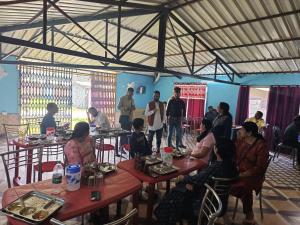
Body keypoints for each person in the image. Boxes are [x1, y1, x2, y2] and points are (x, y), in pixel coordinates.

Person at [154, 138, 238, 225]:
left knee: (175, 192)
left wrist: (184, 178)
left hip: (205, 200)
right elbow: (201, 179)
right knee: (183, 186)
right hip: (220, 201)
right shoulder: (232, 166)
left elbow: (196, 179)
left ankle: (166, 218)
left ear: (217, 150)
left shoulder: (216, 167)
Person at [64, 122, 108, 225]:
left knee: (103, 193)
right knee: (95, 192)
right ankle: (93, 213)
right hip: (81, 177)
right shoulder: (71, 145)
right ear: (83, 132)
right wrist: (90, 169)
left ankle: (98, 212)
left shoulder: (87, 138)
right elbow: (76, 167)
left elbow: (92, 153)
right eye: (87, 132)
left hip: (93, 171)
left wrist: (95, 166)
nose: (88, 134)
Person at [231, 122, 269, 225]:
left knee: (244, 186)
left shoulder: (260, 145)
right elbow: (233, 154)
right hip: (239, 171)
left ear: (249, 133)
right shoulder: (242, 140)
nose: (239, 131)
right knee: (221, 177)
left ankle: (249, 214)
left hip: (254, 175)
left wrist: (243, 174)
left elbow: (260, 167)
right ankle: (219, 205)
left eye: (242, 129)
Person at [117, 87, 136, 155]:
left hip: (130, 118)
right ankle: (121, 147)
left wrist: (133, 108)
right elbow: (118, 107)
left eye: (132, 93)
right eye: (130, 92)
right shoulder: (122, 98)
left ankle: (126, 147)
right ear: (127, 92)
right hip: (124, 117)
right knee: (123, 134)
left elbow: (134, 107)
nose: (131, 94)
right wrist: (125, 108)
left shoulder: (132, 99)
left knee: (128, 133)